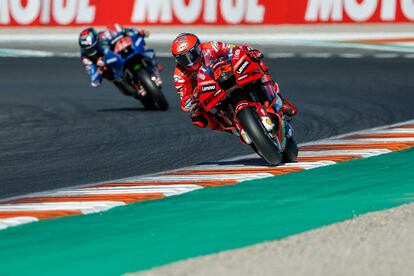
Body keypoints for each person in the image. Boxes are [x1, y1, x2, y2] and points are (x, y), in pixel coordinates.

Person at [171, 33, 297, 131]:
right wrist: (192, 99)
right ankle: (229, 128)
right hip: (210, 93)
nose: (189, 61)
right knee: (197, 117)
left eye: (191, 55)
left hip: (228, 75)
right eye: (183, 59)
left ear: (198, 48)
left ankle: (280, 100)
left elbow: (234, 50)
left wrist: (249, 52)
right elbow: (185, 101)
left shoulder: (211, 47)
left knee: (256, 63)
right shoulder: (179, 75)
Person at [78, 25, 160, 95]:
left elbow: (124, 31)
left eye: (93, 48)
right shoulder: (86, 58)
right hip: (111, 68)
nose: (91, 51)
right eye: (88, 50)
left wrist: (138, 32)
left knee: (145, 51)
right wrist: (100, 70)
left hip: (120, 54)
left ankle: (154, 70)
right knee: (121, 85)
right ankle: (129, 85)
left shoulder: (105, 35)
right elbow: (94, 81)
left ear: (97, 40)